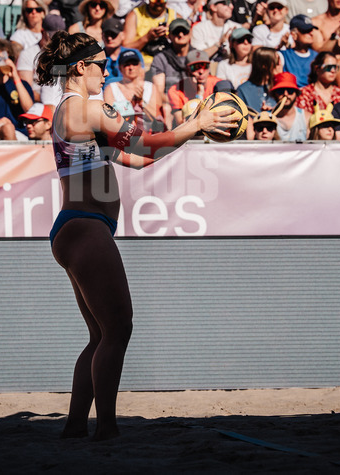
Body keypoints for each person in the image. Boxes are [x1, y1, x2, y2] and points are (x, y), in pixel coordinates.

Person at [34, 30, 236, 440]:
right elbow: (149, 144)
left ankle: (76, 426)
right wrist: (197, 122)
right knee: (118, 329)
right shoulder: (86, 108)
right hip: (86, 226)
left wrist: (191, 131)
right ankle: (105, 428)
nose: (105, 72)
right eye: (101, 65)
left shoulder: (72, 113)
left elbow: (140, 160)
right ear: (80, 67)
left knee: (101, 335)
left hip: (78, 226)